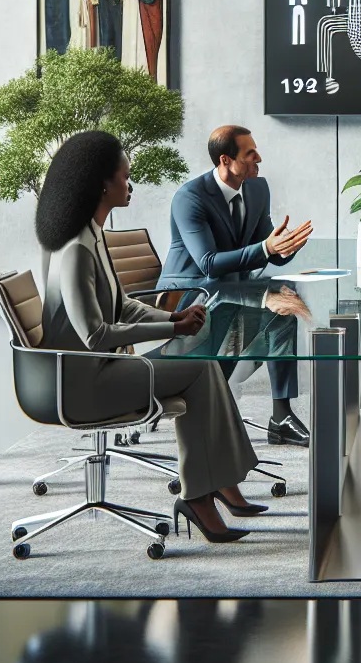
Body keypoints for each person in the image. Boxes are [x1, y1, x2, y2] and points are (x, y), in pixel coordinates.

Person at [38, 130, 266, 542]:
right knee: (198, 368)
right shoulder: (75, 248)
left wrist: (172, 318)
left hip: (103, 369)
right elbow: (94, 335)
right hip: (84, 383)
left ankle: (214, 484)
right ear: (102, 184)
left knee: (202, 362)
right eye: (125, 177)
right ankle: (204, 492)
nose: (131, 185)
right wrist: (171, 326)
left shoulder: (91, 234)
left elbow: (122, 305)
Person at [159, 125, 316, 446]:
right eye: (250, 153)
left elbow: (264, 247)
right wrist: (265, 250)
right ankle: (210, 401)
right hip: (190, 296)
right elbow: (208, 263)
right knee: (269, 301)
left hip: (232, 291)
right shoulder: (190, 198)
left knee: (285, 299)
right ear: (225, 160)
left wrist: (283, 249)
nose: (259, 157)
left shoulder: (257, 189)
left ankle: (281, 416)